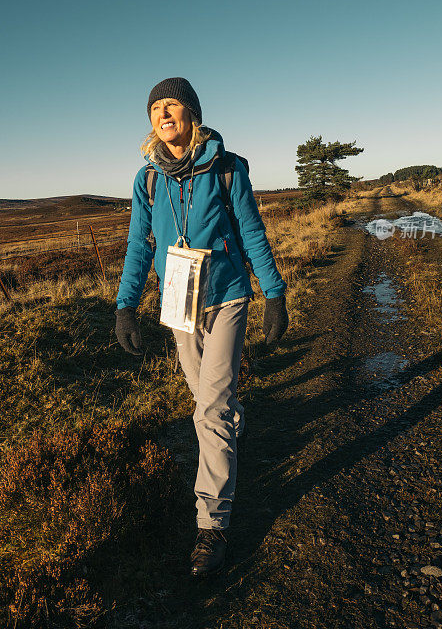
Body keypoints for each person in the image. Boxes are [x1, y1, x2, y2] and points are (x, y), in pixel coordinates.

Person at [114, 77, 289, 576]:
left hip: (228, 294)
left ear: (191, 113)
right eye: (156, 108)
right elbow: (139, 246)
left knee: (211, 407)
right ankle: (226, 445)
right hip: (177, 300)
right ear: (151, 122)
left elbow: (251, 230)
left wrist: (274, 294)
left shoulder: (227, 169)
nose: (164, 113)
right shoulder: (146, 179)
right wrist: (125, 306)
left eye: (173, 104)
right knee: (209, 403)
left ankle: (211, 527)